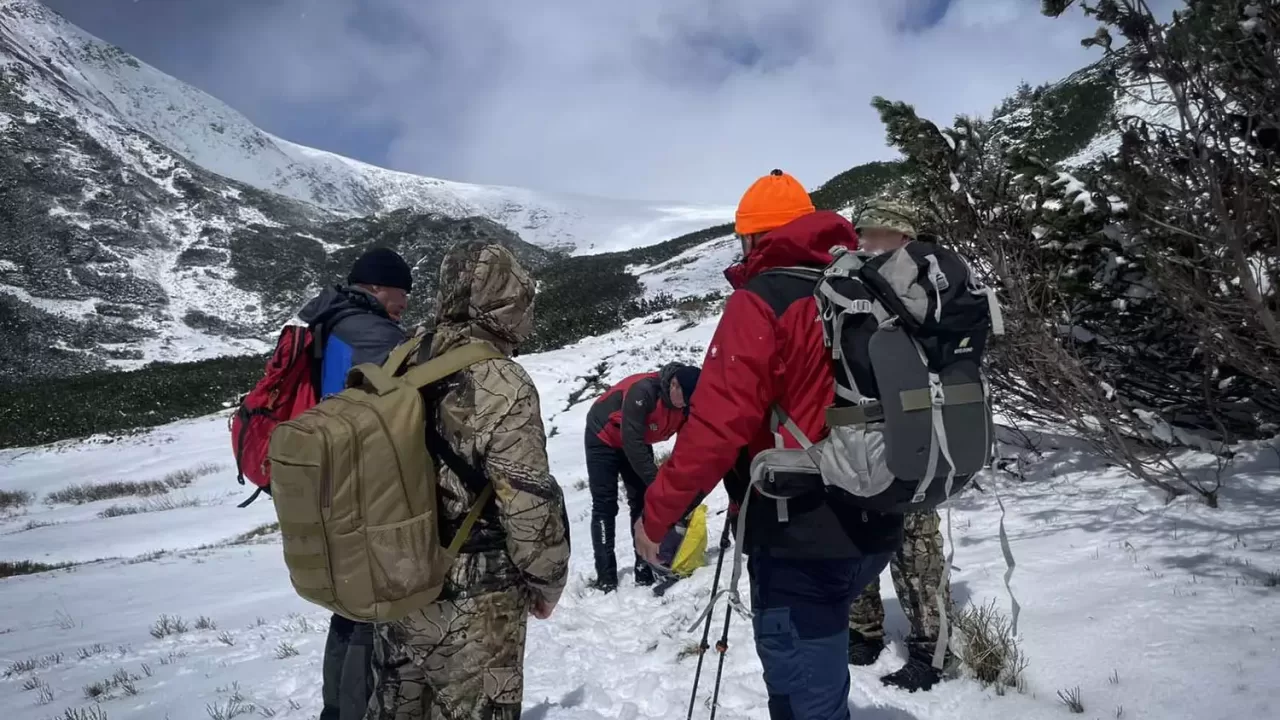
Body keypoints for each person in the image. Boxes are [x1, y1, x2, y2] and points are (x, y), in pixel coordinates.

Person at [635, 170, 906, 720]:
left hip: (799, 531)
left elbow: (714, 427)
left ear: (756, 239)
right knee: (810, 680)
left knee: (805, 694)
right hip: (877, 513)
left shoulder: (763, 300)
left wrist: (656, 518)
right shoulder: (862, 287)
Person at [366, 241, 570, 720]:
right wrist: (548, 582)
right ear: (507, 301)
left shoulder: (403, 357)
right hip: (475, 600)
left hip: (398, 578)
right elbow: (527, 503)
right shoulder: (502, 381)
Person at [297, 247, 413, 720]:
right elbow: (400, 403)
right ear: (379, 286)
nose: (404, 303)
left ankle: (332, 710)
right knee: (373, 609)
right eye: (402, 294)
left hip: (326, 479)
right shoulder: (371, 332)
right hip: (363, 485)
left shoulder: (327, 319)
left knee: (347, 608)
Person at [846, 200, 955, 693]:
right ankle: (863, 631)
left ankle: (932, 651)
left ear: (902, 235)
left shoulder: (925, 285)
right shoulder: (860, 285)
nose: (865, 242)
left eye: (876, 233)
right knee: (859, 529)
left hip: (914, 433)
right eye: (863, 233)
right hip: (866, 435)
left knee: (915, 545)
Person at [585, 363, 700, 591]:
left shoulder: (686, 403)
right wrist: (659, 484)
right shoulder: (644, 391)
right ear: (673, 385)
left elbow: (686, 447)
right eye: (683, 398)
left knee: (642, 501)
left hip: (636, 441)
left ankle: (643, 568)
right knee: (605, 505)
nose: (685, 405)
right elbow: (633, 444)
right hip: (604, 436)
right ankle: (606, 577)